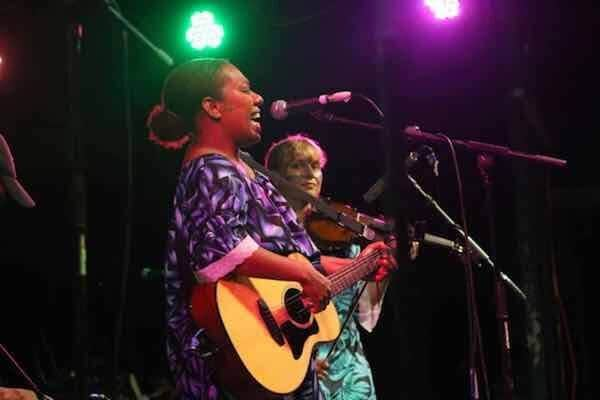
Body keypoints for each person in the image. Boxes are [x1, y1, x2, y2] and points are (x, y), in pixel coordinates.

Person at [146, 58, 396, 400]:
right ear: (212, 107)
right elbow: (223, 252)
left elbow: (291, 260)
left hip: (275, 359)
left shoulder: (246, 171)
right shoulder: (211, 169)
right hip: (232, 357)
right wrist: (304, 275)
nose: (259, 98)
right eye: (245, 89)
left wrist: (360, 267)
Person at [264, 134, 391, 399]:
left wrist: (382, 269)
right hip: (291, 364)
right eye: (297, 165)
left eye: (316, 166)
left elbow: (365, 312)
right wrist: (299, 363)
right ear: (274, 175)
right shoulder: (266, 234)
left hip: (348, 370)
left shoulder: (341, 237)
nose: (311, 174)